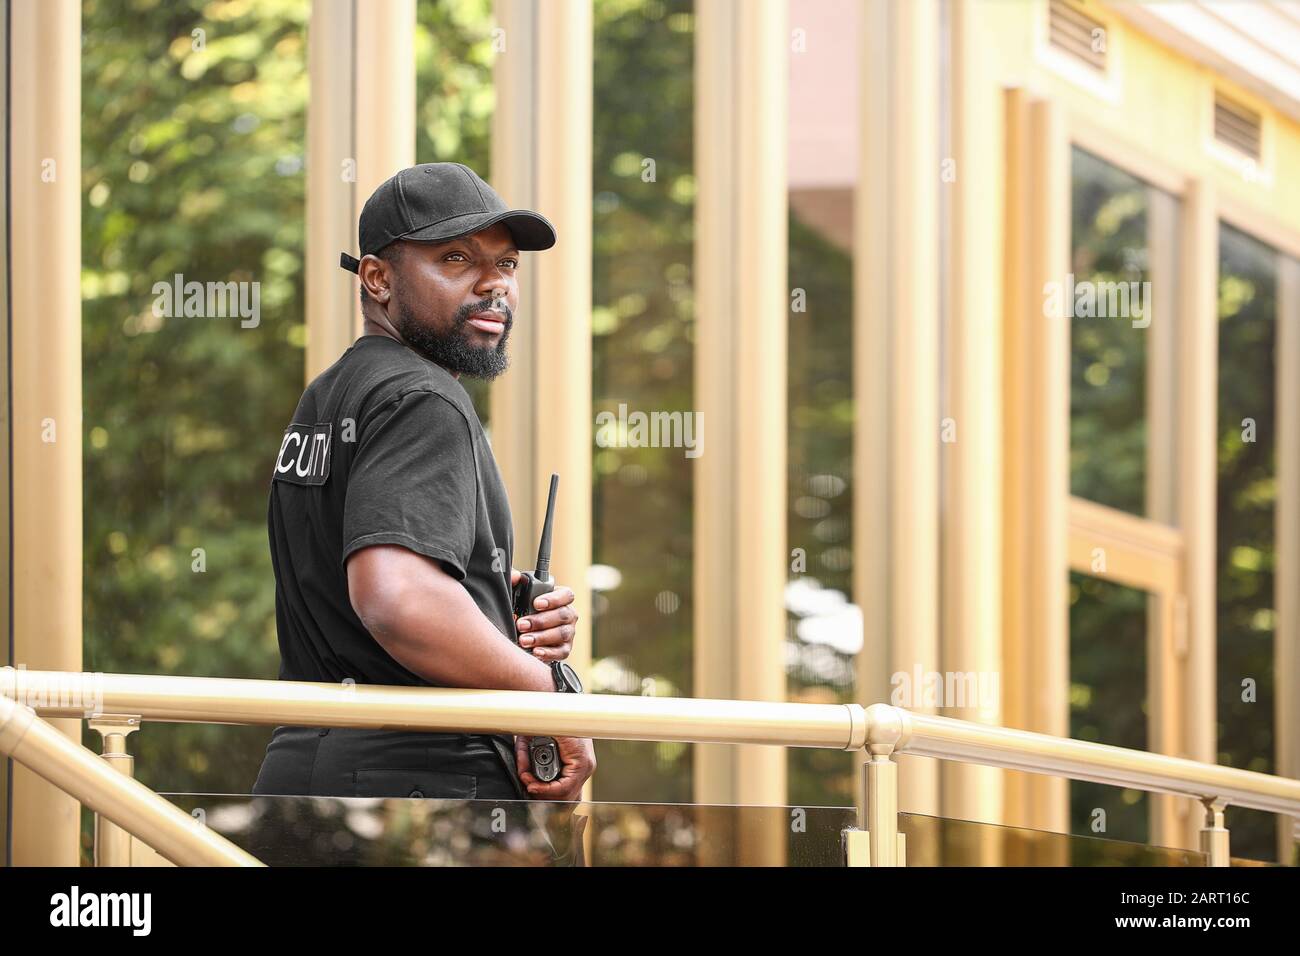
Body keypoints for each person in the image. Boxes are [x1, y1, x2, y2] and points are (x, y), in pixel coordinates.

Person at [251, 162, 595, 806]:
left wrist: (490, 595)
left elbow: (359, 584)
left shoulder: (336, 391)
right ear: (377, 278)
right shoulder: (423, 397)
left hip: (309, 777)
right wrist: (549, 695)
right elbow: (398, 600)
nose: (494, 285)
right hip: (416, 794)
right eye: (457, 258)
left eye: (508, 265)